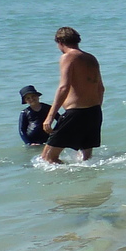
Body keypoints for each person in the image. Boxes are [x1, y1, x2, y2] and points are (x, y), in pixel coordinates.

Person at [42, 26, 105, 163]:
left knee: (47, 158)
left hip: (76, 113)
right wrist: (94, 110)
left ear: (59, 42)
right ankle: (88, 182)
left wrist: (50, 116)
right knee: (86, 159)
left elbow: (63, 87)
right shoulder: (91, 58)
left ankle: (65, 183)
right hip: (94, 112)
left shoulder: (67, 57)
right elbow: (100, 88)